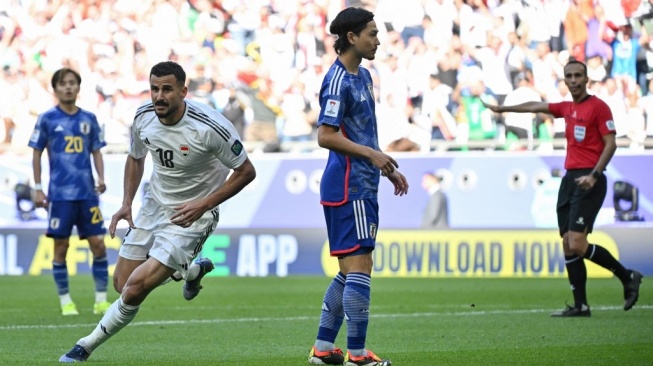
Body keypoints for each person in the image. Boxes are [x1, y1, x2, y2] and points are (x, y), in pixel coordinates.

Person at [59, 61, 256, 362]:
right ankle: (192, 270)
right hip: (153, 206)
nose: (159, 96)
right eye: (154, 89)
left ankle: (85, 345)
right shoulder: (143, 117)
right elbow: (136, 158)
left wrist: (204, 204)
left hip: (193, 216)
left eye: (166, 89)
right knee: (122, 283)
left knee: (136, 288)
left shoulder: (209, 127)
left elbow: (245, 171)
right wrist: (127, 202)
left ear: (183, 91)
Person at [482, 59, 643, 317]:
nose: (574, 80)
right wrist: (504, 108)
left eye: (579, 75)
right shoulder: (566, 107)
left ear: (586, 79)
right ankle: (580, 305)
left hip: (590, 178)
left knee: (578, 243)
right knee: (568, 244)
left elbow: (611, 143)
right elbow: (536, 106)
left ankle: (627, 276)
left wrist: (595, 174)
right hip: (570, 180)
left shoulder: (599, 108)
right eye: (570, 76)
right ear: (565, 80)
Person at [307, 7, 408, 366]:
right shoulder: (337, 81)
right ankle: (358, 355)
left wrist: (384, 166)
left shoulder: (363, 76)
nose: (378, 40)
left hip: (361, 182)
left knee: (350, 271)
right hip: (349, 187)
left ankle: (322, 349)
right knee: (361, 267)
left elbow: (361, 132)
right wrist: (371, 156)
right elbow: (326, 135)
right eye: (372, 33)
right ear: (352, 37)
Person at [28, 68, 111, 317]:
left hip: (87, 194)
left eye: (72, 83)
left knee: (98, 244)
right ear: (55, 89)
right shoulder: (47, 119)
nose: (68, 87)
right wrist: (38, 188)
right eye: (63, 83)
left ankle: (100, 300)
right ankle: (66, 301)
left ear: (78, 87)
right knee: (61, 247)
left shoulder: (89, 119)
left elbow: (96, 150)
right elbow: (36, 152)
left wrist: (102, 178)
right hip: (60, 196)